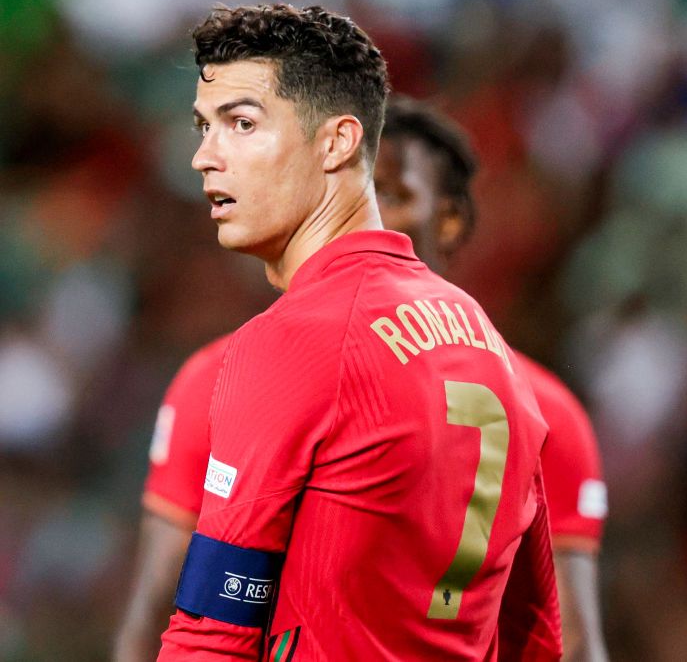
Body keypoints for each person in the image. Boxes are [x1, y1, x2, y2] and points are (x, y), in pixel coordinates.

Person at [115, 95, 609, 661]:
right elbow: (159, 605)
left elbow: (569, 640)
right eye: (357, 188)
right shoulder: (218, 376)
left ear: (448, 220)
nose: (363, 210)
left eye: (391, 195)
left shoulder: (551, 414)